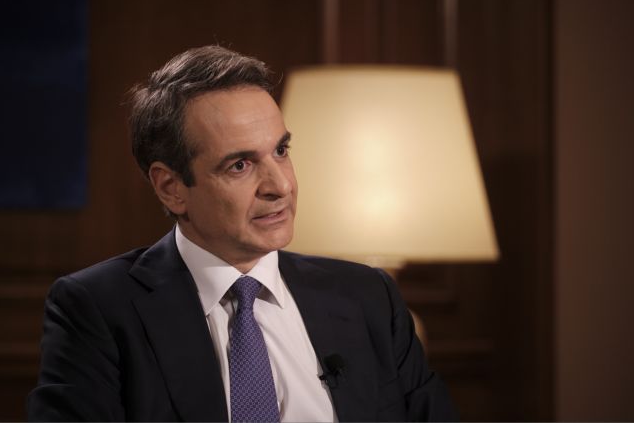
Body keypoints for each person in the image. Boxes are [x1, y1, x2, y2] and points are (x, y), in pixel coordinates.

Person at [27, 45, 457, 422]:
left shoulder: (368, 297)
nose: (280, 186)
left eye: (281, 151)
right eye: (240, 165)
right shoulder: (98, 309)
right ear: (171, 187)